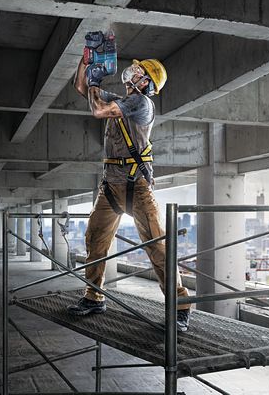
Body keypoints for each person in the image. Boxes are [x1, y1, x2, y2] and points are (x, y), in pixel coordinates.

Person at [67, 52, 191, 332]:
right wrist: (86, 65)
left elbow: (97, 109)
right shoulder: (122, 100)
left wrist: (96, 81)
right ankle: (93, 297)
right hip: (110, 186)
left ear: (146, 82)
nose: (131, 72)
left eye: (138, 71)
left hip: (137, 186)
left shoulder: (140, 102)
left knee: (158, 248)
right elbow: (82, 88)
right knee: (95, 240)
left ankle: (180, 308)